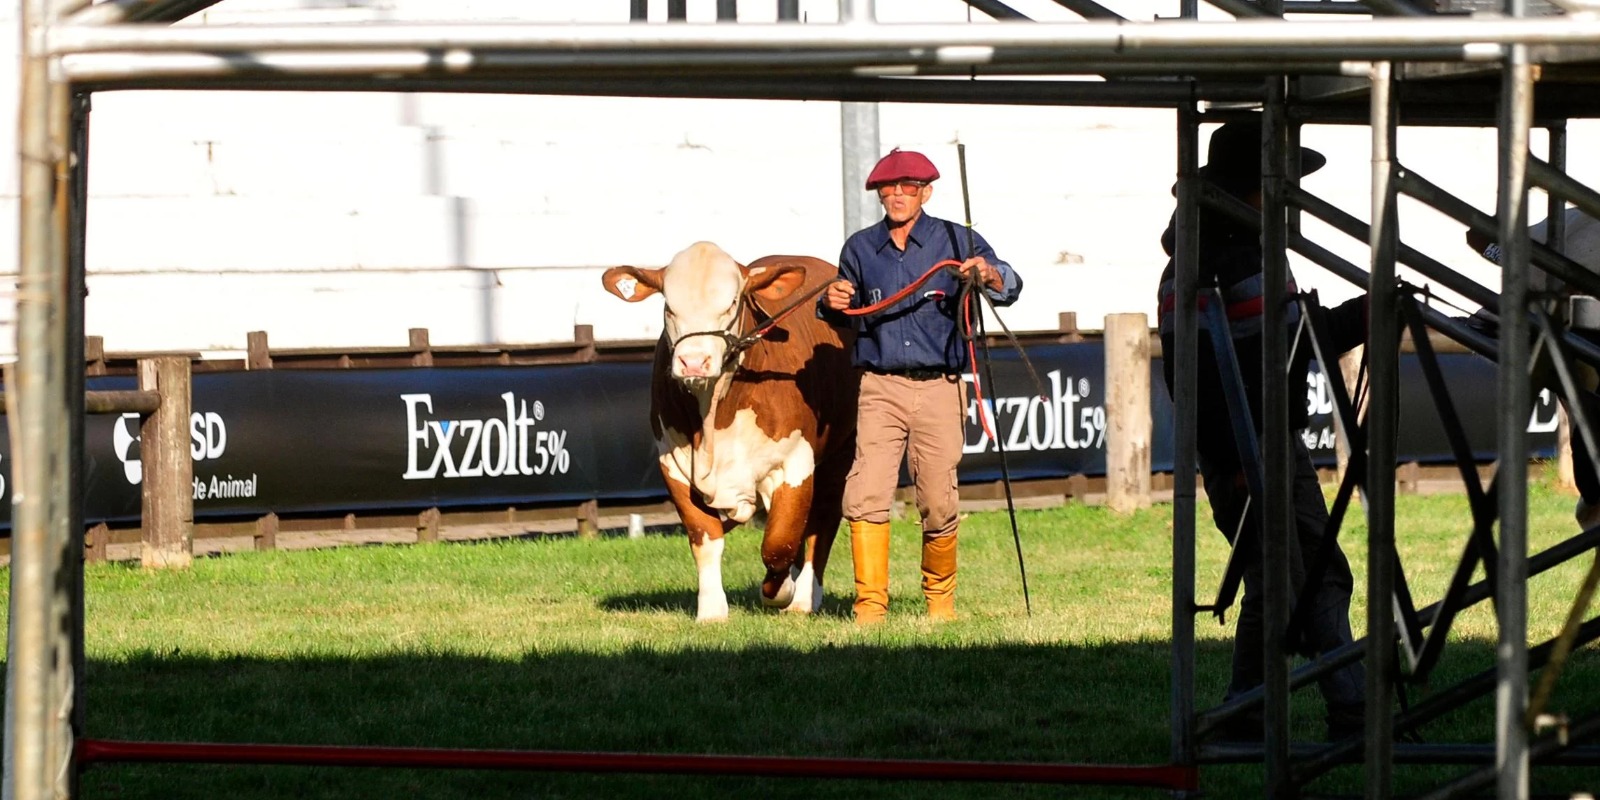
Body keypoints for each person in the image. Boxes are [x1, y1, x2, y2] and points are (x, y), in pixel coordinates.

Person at [1156, 120, 1366, 740]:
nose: (1288, 196)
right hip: (1250, 451)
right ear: (1249, 189)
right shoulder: (1222, 262)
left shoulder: (1227, 254)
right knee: (1303, 579)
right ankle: (1351, 712)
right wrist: (1368, 312)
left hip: (1262, 445)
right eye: (1279, 184)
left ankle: (1244, 713)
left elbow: (1284, 342)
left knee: (1283, 581)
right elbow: (1229, 368)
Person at [820, 147, 1023, 625]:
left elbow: (1011, 285)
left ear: (926, 192)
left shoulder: (956, 238)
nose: (896, 194)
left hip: (941, 384)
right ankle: (870, 609)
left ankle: (940, 607)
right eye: (886, 188)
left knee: (937, 498)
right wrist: (833, 299)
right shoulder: (859, 248)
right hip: (880, 385)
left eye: (907, 187)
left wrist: (989, 274)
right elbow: (837, 307)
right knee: (866, 493)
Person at [1466, 207, 1600, 529]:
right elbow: (1480, 238)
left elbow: (1479, 237)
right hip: (1561, 329)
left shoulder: (1573, 219)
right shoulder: (1575, 221)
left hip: (1550, 327)